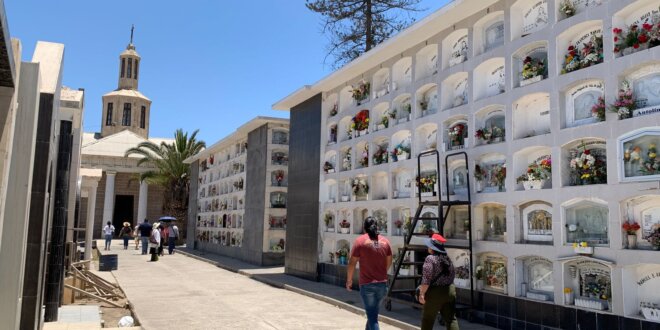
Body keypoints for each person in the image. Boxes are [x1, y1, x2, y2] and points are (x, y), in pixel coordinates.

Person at [346, 217, 392, 330]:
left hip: (367, 285)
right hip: (382, 284)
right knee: (373, 314)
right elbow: (390, 260)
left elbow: (352, 263)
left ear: (364, 227)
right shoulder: (385, 242)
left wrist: (349, 280)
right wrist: (382, 272)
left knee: (372, 318)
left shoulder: (360, 241)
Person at [418, 233, 458, 330]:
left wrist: (422, 293)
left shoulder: (430, 259)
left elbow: (426, 279)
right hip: (450, 291)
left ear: (432, 248)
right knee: (451, 319)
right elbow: (452, 275)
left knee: (428, 319)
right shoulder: (447, 259)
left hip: (435, 293)